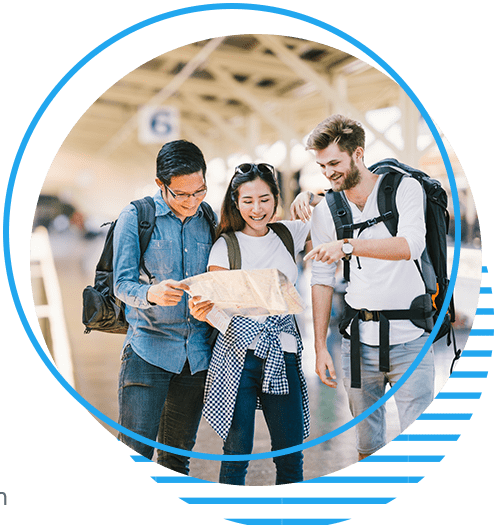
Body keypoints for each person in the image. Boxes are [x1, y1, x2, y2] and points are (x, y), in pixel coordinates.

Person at [303, 114, 435, 461]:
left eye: (334, 163)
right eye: (321, 165)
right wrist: (319, 348)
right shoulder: (325, 210)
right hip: (358, 345)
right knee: (367, 447)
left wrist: (348, 246)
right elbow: (321, 279)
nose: (328, 172)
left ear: (358, 154)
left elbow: (411, 246)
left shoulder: (404, 188)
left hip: (411, 340)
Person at [190, 162, 319, 485]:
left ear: (276, 197)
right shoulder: (225, 245)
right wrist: (205, 310)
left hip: (283, 350)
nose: (257, 208)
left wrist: (311, 196)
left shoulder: (291, 232)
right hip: (237, 356)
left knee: (290, 452)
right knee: (237, 452)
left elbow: (336, 210)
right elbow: (215, 308)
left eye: (264, 199)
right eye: (247, 201)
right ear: (235, 202)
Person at [113, 139, 216, 474]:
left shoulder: (209, 218)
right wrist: (151, 294)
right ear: (161, 185)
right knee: (136, 452)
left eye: (199, 191)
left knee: (175, 460)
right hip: (148, 350)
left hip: (195, 357)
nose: (192, 202)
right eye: (182, 194)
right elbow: (121, 284)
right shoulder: (136, 216)